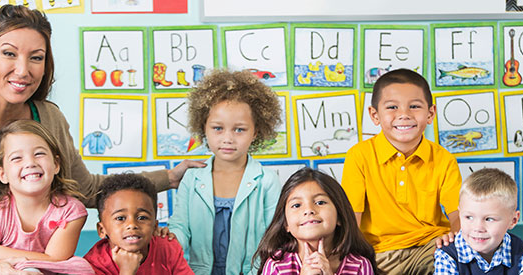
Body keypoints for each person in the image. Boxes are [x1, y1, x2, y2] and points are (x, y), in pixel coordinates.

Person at [0, 5, 202, 275]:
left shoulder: (48, 117)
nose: (23, 70)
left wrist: (169, 178)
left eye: (36, 58)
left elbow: (86, 189)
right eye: (9, 54)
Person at [341, 69, 462, 275]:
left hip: (430, 246)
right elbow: (352, 217)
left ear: (430, 114)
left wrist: (456, 238)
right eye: (392, 107)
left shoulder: (443, 158)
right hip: (376, 252)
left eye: (414, 106)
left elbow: (459, 213)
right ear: (375, 115)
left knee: (458, 261)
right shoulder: (359, 156)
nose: (404, 114)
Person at [169, 69, 283, 275]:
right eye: (218, 128)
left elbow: (274, 237)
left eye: (239, 129)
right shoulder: (192, 178)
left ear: (255, 132)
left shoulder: (267, 180)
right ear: (204, 128)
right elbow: (180, 228)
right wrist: (167, 238)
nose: (228, 138)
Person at [0, 120, 93, 274]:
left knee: (83, 268)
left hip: (51, 272)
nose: (30, 162)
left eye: (39, 154)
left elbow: (55, 259)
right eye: (16, 158)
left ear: (56, 164)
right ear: (3, 174)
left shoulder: (71, 211)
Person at [254, 168, 379, 275]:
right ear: (286, 224)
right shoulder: (277, 265)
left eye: (320, 202)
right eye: (297, 205)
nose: (309, 210)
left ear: (339, 216)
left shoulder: (359, 265)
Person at [434, 168, 523, 275]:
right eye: (469, 217)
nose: (478, 228)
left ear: (513, 220)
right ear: (460, 214)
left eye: (489, 219)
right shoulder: (446, 255)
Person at [84, 173, 194, 275]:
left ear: (155, 227)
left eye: (142, 217)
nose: (132, 224)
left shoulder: (167, 248)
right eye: (120, 218)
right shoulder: (94, 265)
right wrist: (127, 272)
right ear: (102, 230)